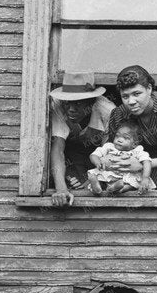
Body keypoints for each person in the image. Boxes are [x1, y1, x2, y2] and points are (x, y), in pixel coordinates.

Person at [103, 65, 157, 190]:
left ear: (149, 88)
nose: (131, 101)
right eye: (125, 96)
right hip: (132, 161)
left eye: (136, 94)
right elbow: (112, 150)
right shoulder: (119, 114)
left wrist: (143, 164)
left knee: (156, 188)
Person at [47, 72, 113, 204]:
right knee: (70, 182)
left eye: (77, 104)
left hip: (96, 155)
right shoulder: (57, 105)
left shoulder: (107, 110)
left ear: (91, 101)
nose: (71, 109)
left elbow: (109, 154)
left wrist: (94, 179)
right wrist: (61, 189)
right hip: (71, 154)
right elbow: (58, 148)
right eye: (67, 103)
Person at [88, 119, 154, 195]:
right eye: (117, 136)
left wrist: (145, 178)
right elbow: (94, 155)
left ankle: (116, 188)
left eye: (126, 138)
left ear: (134, 144)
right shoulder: (109, 146)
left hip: (127, 177)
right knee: (98, 175)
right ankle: (96, 187)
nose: (119, 140)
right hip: (109, 175)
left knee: (134, 182)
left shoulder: (137, 150)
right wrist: (97, 162)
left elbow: (147, 162)